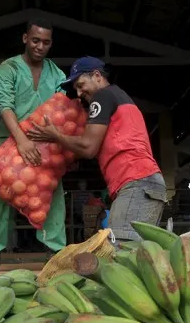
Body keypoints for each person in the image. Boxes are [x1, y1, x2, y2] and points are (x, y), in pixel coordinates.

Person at [29, 57, 167, 245]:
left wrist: (56, 136)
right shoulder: (119, 97)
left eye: (81, 85)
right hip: (146, 183)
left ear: (97, 76)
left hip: (136, 182)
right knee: (139, 253)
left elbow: (88, 147)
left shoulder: (102, 96)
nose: (79, 93)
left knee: (120, 249)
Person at [0, 19, 68, 271]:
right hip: (9, 144)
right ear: (25, 39)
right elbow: (4, 105)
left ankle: (55, 252)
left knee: (53, 196)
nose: (40, 46)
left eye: (46, 42)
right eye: (35, 40)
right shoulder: (8, 67)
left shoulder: (57, 74)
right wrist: (21, 140)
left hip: (45, 147)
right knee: (3, 196)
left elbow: (61, 110)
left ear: (51, 44)